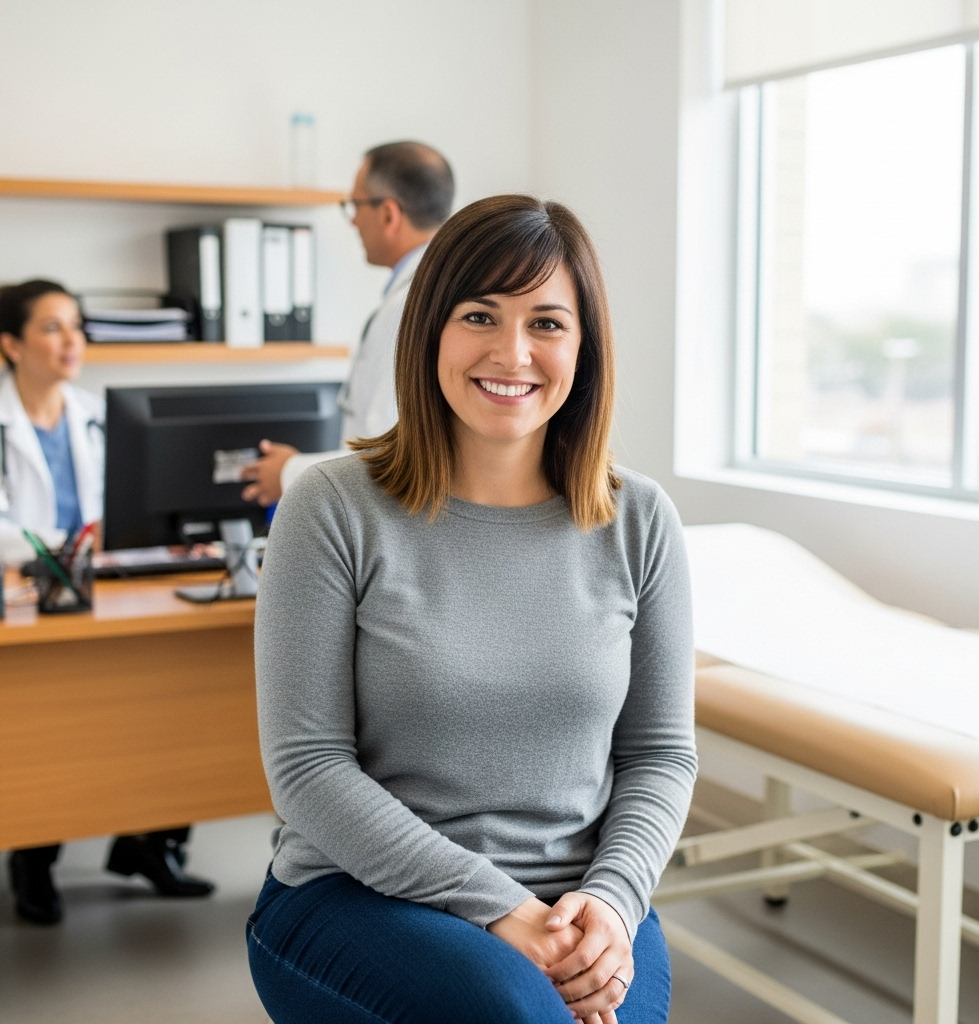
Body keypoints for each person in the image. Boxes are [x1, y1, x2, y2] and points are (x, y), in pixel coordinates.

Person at [248, 196, 697, 1024]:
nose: (513, 352)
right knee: (517, 1012)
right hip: (358, 893)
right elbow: (308, 770)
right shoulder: (333, 507)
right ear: (431, 331)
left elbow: (662, 755)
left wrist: (613, 904)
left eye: (548, 323)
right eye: (480, 315)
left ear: (584, 347)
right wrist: (501, 910)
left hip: (580, 901)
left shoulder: (641, 520)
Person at [0, 279, 215, 925]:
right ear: (9, 344)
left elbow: (136, 505)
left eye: (77, 325)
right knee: (53, 711)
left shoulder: (99, 412)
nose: (73, 341)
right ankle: (34, 858)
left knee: (170, 690)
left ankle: (151, 843)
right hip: (28, 592)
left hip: (110, 588)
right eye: (52, 328)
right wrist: (71, 546)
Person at [240, 139, 455, 506]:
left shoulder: (409, 307)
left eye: (355, 205)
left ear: (389, 214)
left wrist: (291, 473)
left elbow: (386, 450)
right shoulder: (436, 291)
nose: (353, 219)